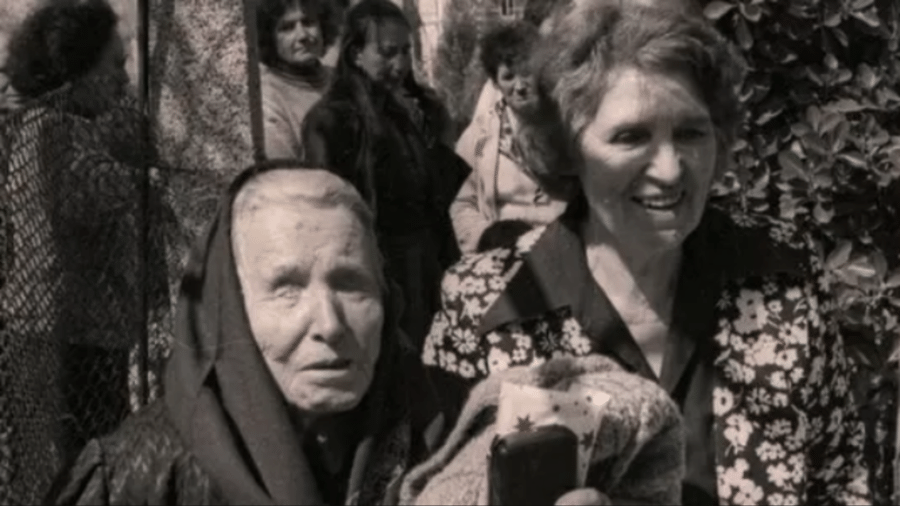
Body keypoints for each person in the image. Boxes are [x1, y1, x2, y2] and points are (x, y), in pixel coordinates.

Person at [420, 3, 871, 505]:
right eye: (631, 136)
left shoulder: (781, 278)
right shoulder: (487, 304)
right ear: (568, 148)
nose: (671, 169)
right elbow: (433, 488)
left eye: (690, 133)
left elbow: (840, 480)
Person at [47, 165, 446, 505]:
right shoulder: (139, 479)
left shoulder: (440, 438)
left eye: (351, 284)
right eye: (287, 290)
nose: (329, 325)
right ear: (232, 310)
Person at [3, 0, 167, 458]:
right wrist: (153, 181)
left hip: (84, 332)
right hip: (60, 338)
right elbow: (90, 192)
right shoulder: (51, 129)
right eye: (113, 65)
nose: (123, 79)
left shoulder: (70, 125)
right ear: (75, 69)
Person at [302, 0, 469, 349]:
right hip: (379, 268)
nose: (401, 64)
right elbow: (328, 211)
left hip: (425, 264)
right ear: (356, 54)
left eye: (406, 51)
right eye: (388, 53)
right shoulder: (332, 120)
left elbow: (435, 194)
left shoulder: (405, 110)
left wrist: (432, 135)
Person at [452, 21, 567, 254]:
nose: (520, 86)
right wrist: (485, 236)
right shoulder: (479, 138)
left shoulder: (568, 122)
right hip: (504, 253)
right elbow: (460, 203)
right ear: (495, 83)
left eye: (526, 73)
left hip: (566, 248)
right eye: (508, 77)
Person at [256, 0, 340, 159]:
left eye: (308, 23)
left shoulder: (341, 78)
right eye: (287, 28)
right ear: (269, 38)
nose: (302, 35)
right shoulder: (268, 99)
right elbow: (285, 169)